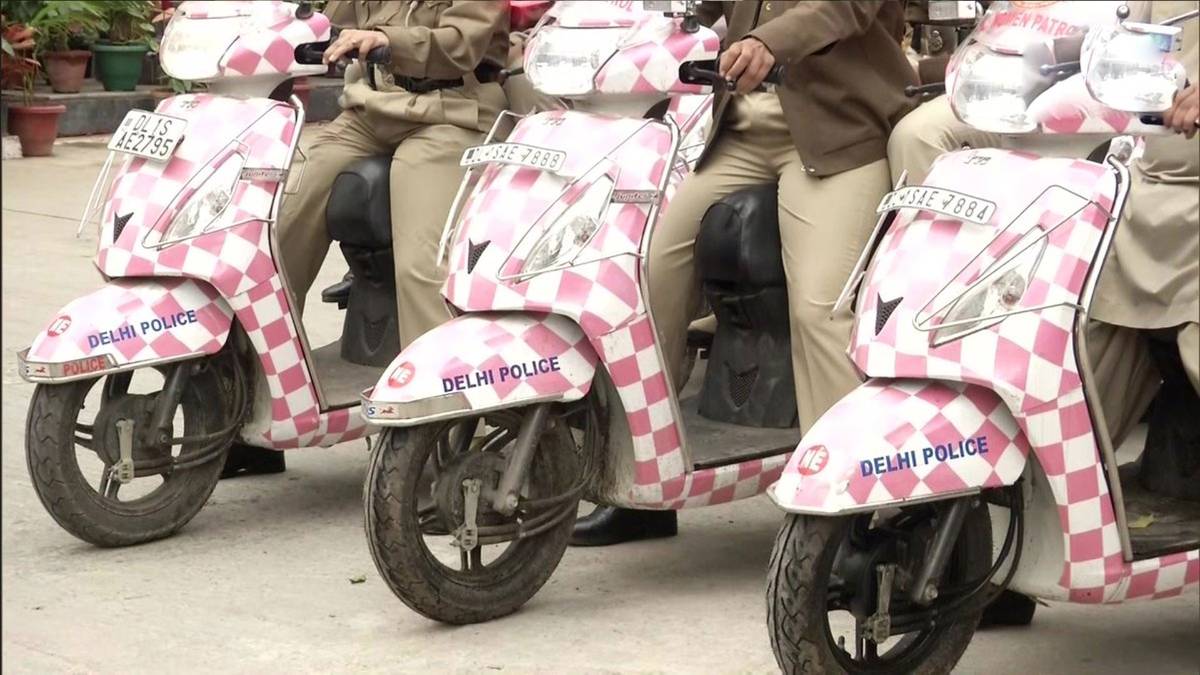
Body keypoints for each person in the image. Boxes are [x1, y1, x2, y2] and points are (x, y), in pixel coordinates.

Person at [573, 0, 917, 546]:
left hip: (836, 135)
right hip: (740, 132)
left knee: (821, 310)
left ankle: (852, 512)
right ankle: (639, 482)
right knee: (650, 279)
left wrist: (768, 41)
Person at [222, 0, 509, 478]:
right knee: (270, 235)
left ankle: (447, 436)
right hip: (371, 108)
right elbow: (323, 15)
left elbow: (461, 46)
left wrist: (386, 40)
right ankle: (246, 408)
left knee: (421, 267)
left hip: (451, 113)